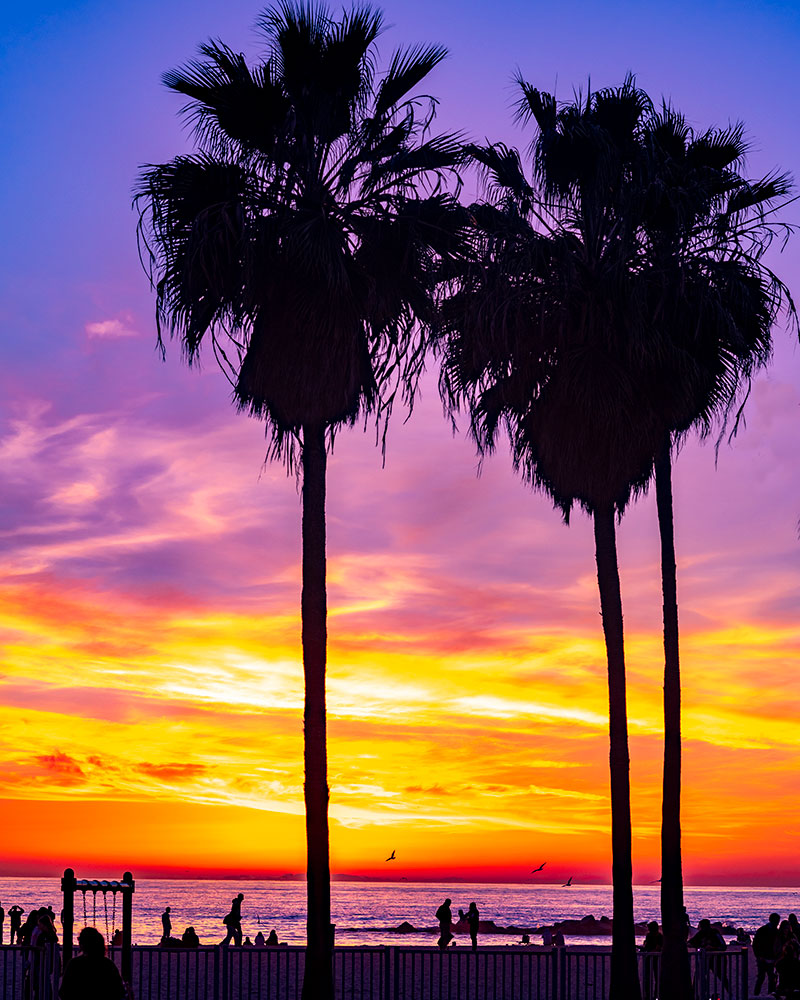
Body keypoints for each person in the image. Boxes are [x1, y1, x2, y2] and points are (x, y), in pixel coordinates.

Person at [59, 926, 126, 1000]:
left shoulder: (75, 964)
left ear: (82, 945)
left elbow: (64, 992)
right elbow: (119, 991)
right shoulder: (108, 965)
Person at [754, 913, 781, 996]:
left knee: (770, 977)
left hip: (771, 957)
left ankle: (768, 994)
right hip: (763, 957)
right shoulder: (764, 930)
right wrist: (758, 956)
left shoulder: (774, 931)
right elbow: (755, 944)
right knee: (763, 977)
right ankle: (758, 994)